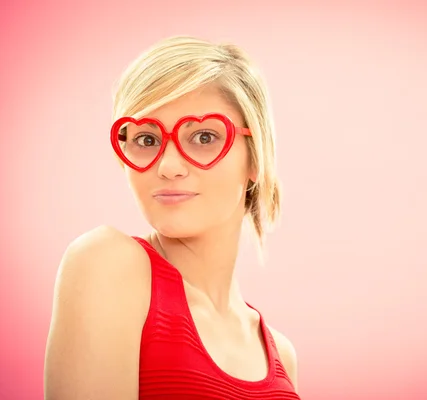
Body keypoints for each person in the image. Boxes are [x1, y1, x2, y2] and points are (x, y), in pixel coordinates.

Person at [44, 36, 300, 399]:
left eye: (203, 136)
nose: (168, 166)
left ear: (256, 157)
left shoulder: (281, 356)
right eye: (146, 140)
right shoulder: (105, 265)